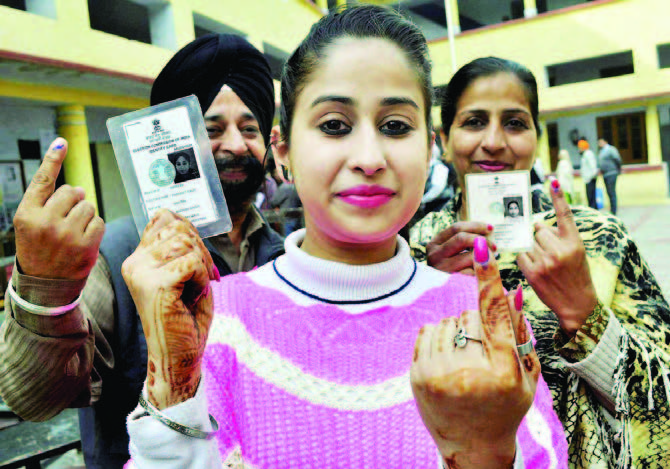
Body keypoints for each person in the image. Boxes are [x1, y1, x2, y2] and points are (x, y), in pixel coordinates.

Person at [122, 6, 567, 468]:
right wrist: (172, 380)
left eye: (395, 126)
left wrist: (483, 450)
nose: (369, 158)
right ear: (284, 151)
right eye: (334, 125)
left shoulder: (482, 318)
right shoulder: (216, 321)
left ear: (430, 147)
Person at [0, 34, 284, 469]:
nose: (234, 145)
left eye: (250, 129)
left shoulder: (281, 256)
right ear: (174, 142)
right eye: (211, 129)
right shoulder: (114, 257)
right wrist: (44, 286)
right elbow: (32, 399)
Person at [410, 56, 670, 467]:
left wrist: (584, 311)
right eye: (474, 121)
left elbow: (664, 395)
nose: (494, 141)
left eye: (514, 123)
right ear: (444, 139)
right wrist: (428, 294)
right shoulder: (416, 247)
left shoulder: (597, 239)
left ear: (535, 136)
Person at [597, 137, 622, 215]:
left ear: (605, 142)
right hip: (605, 174)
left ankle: (614, 210)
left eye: (600, 142)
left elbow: (617, 159)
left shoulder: (611, 149)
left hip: (611, 173)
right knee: (608, 191)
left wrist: (618, 169)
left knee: (611, 191)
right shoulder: (601, 151)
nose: (599, 144)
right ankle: (611, 208)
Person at [578, 138, 598, 209]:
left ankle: (594, 212)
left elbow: (593, 167)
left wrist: (591, 177)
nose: (578, 149)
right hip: (588, 179)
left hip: (590, 179)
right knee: (590, 198)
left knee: (591, 198)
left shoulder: (588, 154)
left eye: (579, 147)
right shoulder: (585, 154)